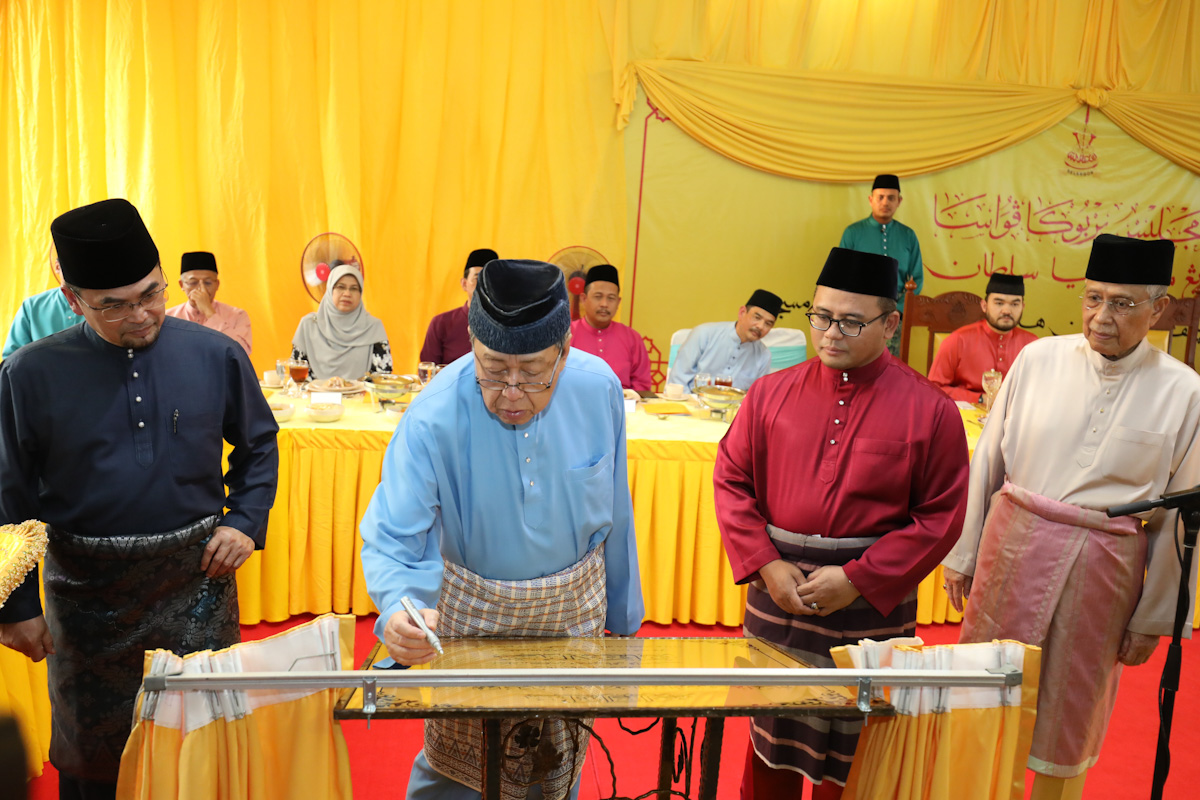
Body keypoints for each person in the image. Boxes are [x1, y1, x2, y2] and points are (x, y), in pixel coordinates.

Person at [0, 198, 279, 800]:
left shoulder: (215, 353)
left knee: (200, 751)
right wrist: (17, 605)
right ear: (73, 300)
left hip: (196, 585)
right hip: (84, 594)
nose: (143, 314)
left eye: (151, 293)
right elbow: (8, 494)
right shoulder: (29, 373)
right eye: (115, 306)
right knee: (94, 761)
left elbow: (259, 446)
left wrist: (246, 520)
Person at [361, 259, 644, 800]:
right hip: (473, 619)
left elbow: (615, 510)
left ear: (564, 352)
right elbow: (393, 535)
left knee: (556, 764)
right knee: (457, 775)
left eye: (534, 372)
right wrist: (401, 607)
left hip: (570, 619)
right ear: (471, 342)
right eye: (492, 369)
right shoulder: (433, 414)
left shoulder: (598, 388)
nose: (512, 391)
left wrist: (625, 625)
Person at [942, 233, 1200, 800]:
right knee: (987, 692)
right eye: (1092, 298)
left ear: (1158, 309)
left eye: (1122, 303)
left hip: (1105, 569)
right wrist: (962, 556)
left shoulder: (1185, 391)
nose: (1101, 316)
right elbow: (988, 463)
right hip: (1014, 549)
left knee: (1072, 708)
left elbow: (1182, 520)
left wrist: (1152, 618)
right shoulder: (1038, 359)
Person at [715, 247, 969, 800]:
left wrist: (857, 578)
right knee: (768, 755)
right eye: (821, 316)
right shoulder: (770, 394)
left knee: (854, 766)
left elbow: (941, 517)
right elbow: (732, 479)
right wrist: (764, 563)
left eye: (852, 321)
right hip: (778, 595)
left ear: (891, 323)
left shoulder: (930, 410)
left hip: (867, 607)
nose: (831, 333)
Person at [838, 174, 923, 356]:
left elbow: (917, 279)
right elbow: (841, 276)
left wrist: (897, 311)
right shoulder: (853, 233)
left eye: (891, 198)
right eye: (880, 197)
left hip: (895, 318)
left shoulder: (908, 235)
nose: (885, 202)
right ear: (871, 200)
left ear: (899, 201)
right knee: (857, 364)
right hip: (857, 315)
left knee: (891, 369)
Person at [927, 273, 1038, 402]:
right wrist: (980, 398)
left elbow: (1042, 389)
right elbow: (933, 388)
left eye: (1014, 304)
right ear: (984, 306)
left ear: (1022, 307)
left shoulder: (1032, 344)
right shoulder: (958, 340)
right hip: (966, 418)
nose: (1007, 311)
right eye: (999, 303)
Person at [666, 289, 782, 391]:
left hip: (734, 413)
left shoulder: (763, 356)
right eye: (757, 318)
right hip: (693, 408)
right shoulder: (704, 334)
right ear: (742, 313)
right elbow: (677, 381)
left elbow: (757, 396)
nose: (761, 326)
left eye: (768, 324)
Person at [291, 264, 392, 380]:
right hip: (314, 396)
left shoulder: (373, 327)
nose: (347, 294)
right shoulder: (309, 325)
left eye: (354, 288)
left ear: (361, 294)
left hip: (362, 396)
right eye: (341, 287)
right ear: (330, 290)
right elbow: (297, 374)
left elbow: (383, 376)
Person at [569, 264, 651, 391]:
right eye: (598, 297)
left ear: (618, 302)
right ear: (583, 299)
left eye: (611, 298)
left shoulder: (632, 338)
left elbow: (642, 386)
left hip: (622, 408)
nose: (604, 304)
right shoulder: (567, 335)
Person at [164, 251, 253, 355]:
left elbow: (242, 353)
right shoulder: (167, 318)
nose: (202, 289)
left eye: (208, 282)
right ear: (181, 285)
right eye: (193, 282)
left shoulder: (238, 315)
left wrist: (209, 312)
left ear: (217, 284)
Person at [420, 248, 497, 365]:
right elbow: (428, 371)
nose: (483, 285)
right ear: (464, 284)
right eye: (477, 279)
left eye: (489, 279)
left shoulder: (506, 325)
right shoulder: (441, 323)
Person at [2, 257, 83, 359]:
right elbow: (12, 358)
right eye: (71, 268)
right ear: (57, 267)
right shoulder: (32, 306)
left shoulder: (98, 304)